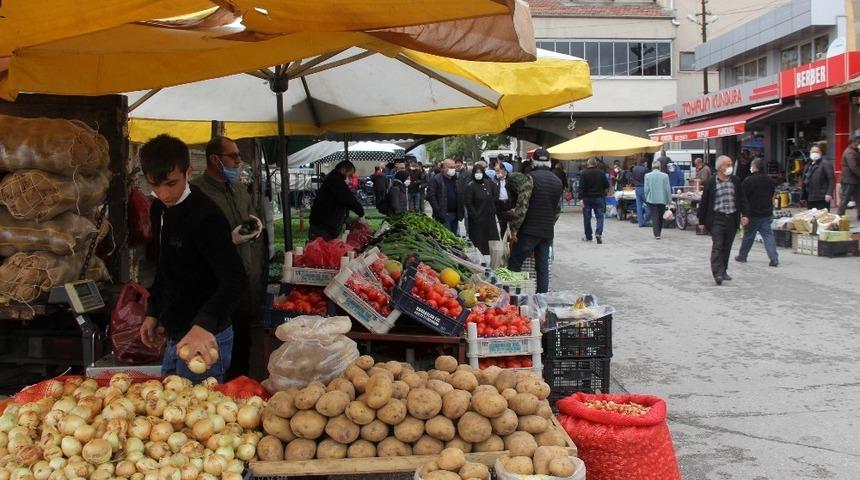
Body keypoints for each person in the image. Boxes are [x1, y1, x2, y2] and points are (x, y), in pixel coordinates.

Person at [138, 134, 247, 382]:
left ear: (188, 172)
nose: (164, 194)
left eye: (171, 184)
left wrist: (203, 324)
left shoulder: (206, 216)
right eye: (154, 186)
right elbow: (165, 268)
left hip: (209, 337)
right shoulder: (158, 210)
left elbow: (235, 280)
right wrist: (153, 311)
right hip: (176, 334)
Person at [191, 136, 261, 379]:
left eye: (238, 156)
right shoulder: (197, 191)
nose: (238, 161)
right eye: (233, 156)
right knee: (217, 343)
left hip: (242, 275)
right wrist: (225, 240)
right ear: (215, 159)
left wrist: (254, 226)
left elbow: (250, 215)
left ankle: (241, 385)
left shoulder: (239, 189)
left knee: (243, 338)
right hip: (213, 281)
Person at [508, 148, 563, 294]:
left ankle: (513, 298)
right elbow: (557, 210)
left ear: (533, 161)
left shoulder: (530, 178)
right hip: (546, 232)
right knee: (542, 267)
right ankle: (541, 299)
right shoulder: (557, 181)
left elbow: (522, 206)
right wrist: (548, 224)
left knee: (514, 262)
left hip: (529, 231)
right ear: (549, 162)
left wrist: (514, 229)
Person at [698, 155, 745, 286]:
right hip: (717, 218)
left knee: (727, 246)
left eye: (731, 164)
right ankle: (717, 273)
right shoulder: (711, 182)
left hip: (732, 217)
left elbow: (742, 199)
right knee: (718, 245)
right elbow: (704, 203)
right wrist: (701, 221)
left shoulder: (735, 181)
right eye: (727, 165)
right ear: (720, 168)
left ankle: (724, 270)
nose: (730, 167)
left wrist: (745, 214)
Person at [736, 158, 779, 267]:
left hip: (752, 213)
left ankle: (742, 256)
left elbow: (743, 197)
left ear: (754, 167)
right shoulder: (770, 180)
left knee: (749, 235)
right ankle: (774, 258)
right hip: (766, 212)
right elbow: (772, 194)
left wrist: (743, 212)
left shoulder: (748, 181)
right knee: (768, 236)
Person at [309, 160, 365, 240]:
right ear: (343, 170)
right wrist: (361, 212)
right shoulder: (335, 180)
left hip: (322, 225)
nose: (349, 177)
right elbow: (348, 199)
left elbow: (342, 199)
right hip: (323, 227)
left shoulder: (333, 178)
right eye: (349, 174)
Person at [463, 164, 499, 255]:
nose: (478, 174)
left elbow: (495, 195)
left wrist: (493, 208)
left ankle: (494, 259)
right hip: (478, 219)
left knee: (492, 240)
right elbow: (468, 202)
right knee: (480, 241)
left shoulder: (489, 183)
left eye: (480, 172)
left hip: (490, 218)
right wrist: (475, 214)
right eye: (476, 172)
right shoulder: (470, 186)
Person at [427, 158, 464, 234]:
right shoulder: (436, 179)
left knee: (454, 236)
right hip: (444, 214)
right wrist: (438, 210)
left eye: (454, 167)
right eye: (451, 167)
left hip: (455, 214)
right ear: (444, 168)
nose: (453, 169)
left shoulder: (455, 179)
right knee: (446, 237)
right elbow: (431, 196)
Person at [578, 157, 609, 244]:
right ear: (596, 164)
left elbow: (581, 187)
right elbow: (606, 185)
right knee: (600, 217)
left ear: (588, 164)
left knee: (587, 218)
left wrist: (580, 198)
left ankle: (588, 236)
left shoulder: (584, 173)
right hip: (599, 198)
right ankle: (598, 233)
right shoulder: (601, 173)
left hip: (587, 198)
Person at [644, 161, 671, 240]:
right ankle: (659, 231)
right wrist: (669, 200)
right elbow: (668, 189)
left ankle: (657, 233)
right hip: (662, 199)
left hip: (652, 199)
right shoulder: (665, 176)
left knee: (654, 215)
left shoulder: (647, 176)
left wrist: (646, 198)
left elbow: (646, 189)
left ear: (652, 167)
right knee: (660, 215)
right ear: (659, 167)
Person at [802, 144, 834, 210]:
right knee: (812, 217)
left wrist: (829, 193)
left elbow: (831, 179)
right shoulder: (808, 164)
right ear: (810, 153)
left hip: (821, 197)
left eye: (817, 152)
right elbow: (805, 180)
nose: (814, 154)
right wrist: (803, 196)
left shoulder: (825, 163)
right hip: (810, 197)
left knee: (822, 217)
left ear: (821, 153)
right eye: (813, 152)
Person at [837, 136, 860, 219]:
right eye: (857, 142)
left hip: (854, 180)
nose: (858, 144)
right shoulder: (849, 152)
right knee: (845, 199)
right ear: (852, 142)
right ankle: (839, 216)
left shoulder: (854, 151)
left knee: (857, 199)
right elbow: (853, 166)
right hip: (849, 180)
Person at [494, 161, 515, 237]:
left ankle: (513, 245)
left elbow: (516, 193)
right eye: (495, 171)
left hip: (510, 205)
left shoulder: (511, 179)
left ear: (503, 170)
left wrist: (514, 206)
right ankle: (504, 244)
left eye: (498, 171)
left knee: (513, 227)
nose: (497, 173)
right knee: (503, 228)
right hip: (500, 206)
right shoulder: (495, 179)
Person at [631, 157, 651, 227]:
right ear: (644, 162)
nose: (647, 164)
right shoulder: (646, 169)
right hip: (643, 188)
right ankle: (646, 220)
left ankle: (640, 222)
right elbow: (649, 180)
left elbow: (632, 178)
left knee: (639, 206)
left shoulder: (634, 168)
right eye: (646, 162)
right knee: (649, 205)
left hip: (637, 188)